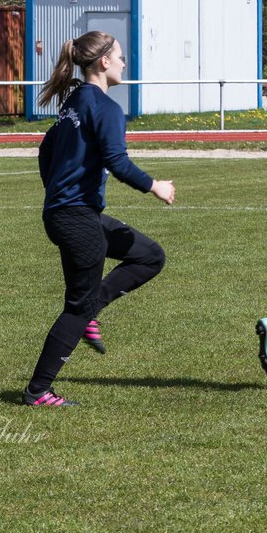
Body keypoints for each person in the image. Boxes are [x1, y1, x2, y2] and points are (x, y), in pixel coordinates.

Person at [24, 31, 174, 407]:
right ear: (104, 62)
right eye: (121, 57)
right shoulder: (105, 107)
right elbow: (117, 163)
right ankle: (38, 391)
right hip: (76, 219)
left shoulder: (74, 100)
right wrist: (155, 185)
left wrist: (55, 191)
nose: (125, 63)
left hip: (70, 215)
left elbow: (46, 149)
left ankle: (96, 308)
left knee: (149, 255)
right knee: (77, 307)